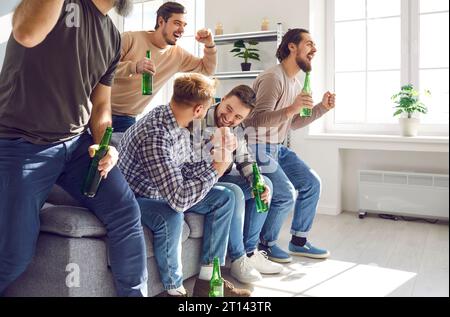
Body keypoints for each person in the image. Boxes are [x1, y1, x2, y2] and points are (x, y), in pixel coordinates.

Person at [0, 0, 148, 296]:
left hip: (77, 145)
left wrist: (106, 142)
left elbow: (102, 104)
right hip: (22, 142)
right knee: (14, 253)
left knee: (126, 211)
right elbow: (26, 33)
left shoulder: (112, 35)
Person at [118, 73, 251, 297]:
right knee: (171, 214)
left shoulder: (177, 122)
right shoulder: (156, 136)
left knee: (225, 197)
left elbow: (186, 169)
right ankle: (175, 291)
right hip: (136, 198)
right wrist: (218, 167)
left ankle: (208, 281)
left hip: (163, 190)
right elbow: (178, 200)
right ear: (199, 110)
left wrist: (216, 155)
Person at [243, 28, 336, 263]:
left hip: (277, 147)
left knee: (311, 183)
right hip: (256, 145)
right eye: (309, 44)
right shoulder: (273, 78)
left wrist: (321, 108)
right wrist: (291, 108)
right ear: (292, 47)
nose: (314, 49)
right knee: (285, 194)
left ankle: (299, 241)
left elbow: (293, 123)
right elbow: (254, 120)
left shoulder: (295, 82)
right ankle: (265, 245)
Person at [194, 85, 284, 275]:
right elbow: (192, 163)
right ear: (223, 98)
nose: (229, 118)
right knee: (233, 193)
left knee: (265, 183)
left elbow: (245, 158)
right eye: (228, 109)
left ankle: (251, 252)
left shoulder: (237, 128)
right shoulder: (198, 118)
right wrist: (217, 148)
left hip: (220, 180)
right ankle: (238, 259)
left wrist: (257, 181)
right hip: (202, 183)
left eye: (238, 117)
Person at [111, 1, 217, 132]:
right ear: (161, 21)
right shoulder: (130, 38)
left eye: (184, 25)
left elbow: (207, 69)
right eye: (177, 23)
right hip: (102, 109)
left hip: (128, 118)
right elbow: (104, 68)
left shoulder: (178, 54)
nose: (182, 30)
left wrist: (209, 45)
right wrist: (134, 67)